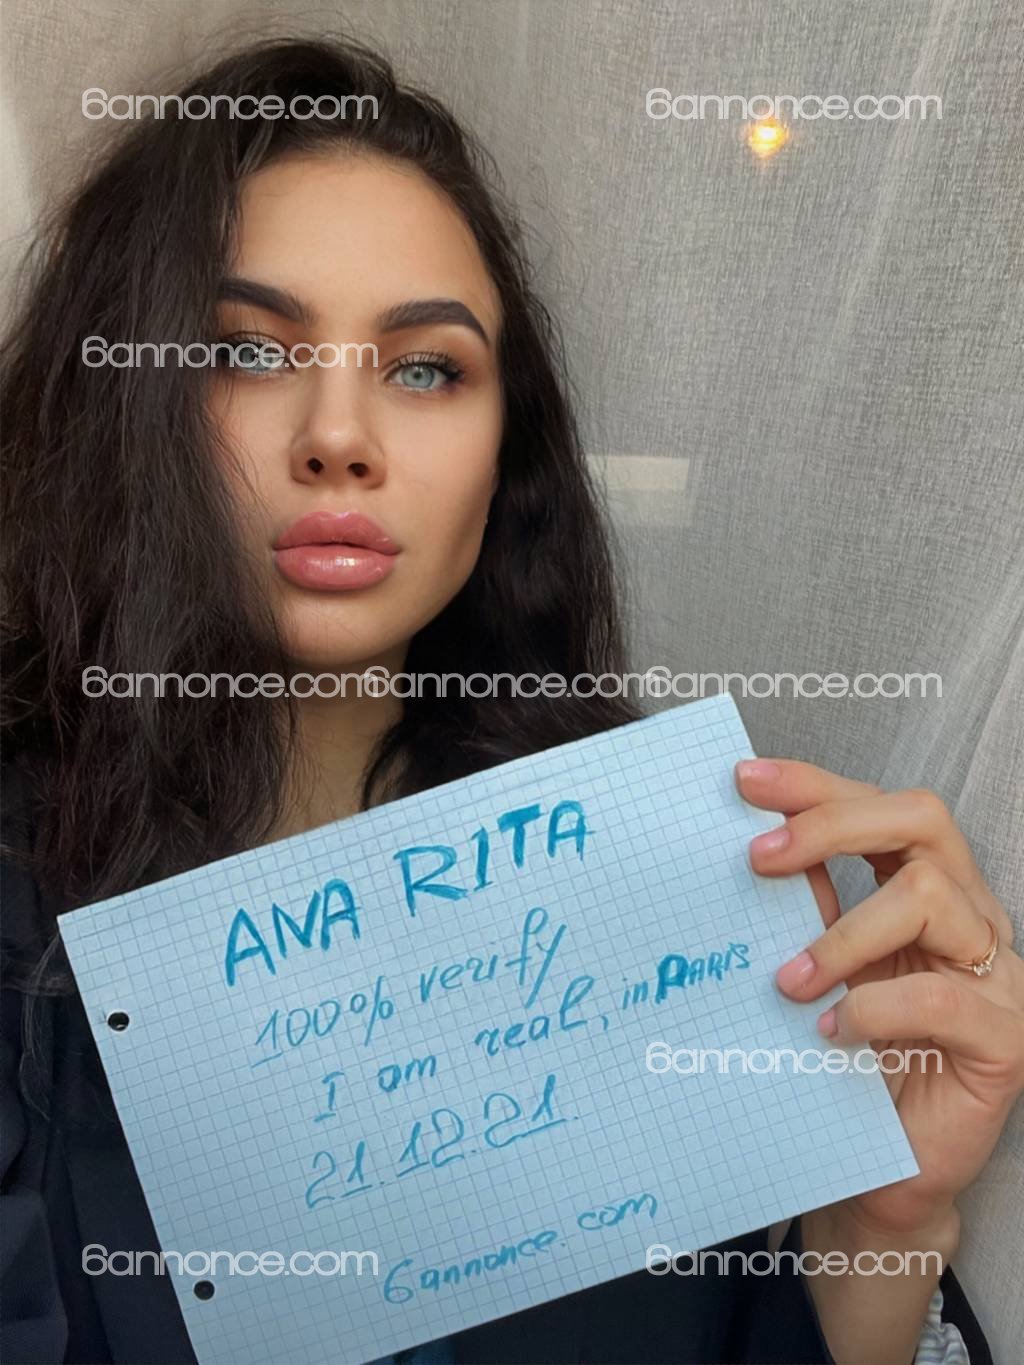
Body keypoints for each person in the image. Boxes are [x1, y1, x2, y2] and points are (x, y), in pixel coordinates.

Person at [1, 35, 1018, 1365]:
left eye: (426, 367)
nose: (339, 436)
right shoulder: (24, 906)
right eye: (245, 352)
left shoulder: (663, 904)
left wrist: (884, 1221)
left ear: (507, 449)